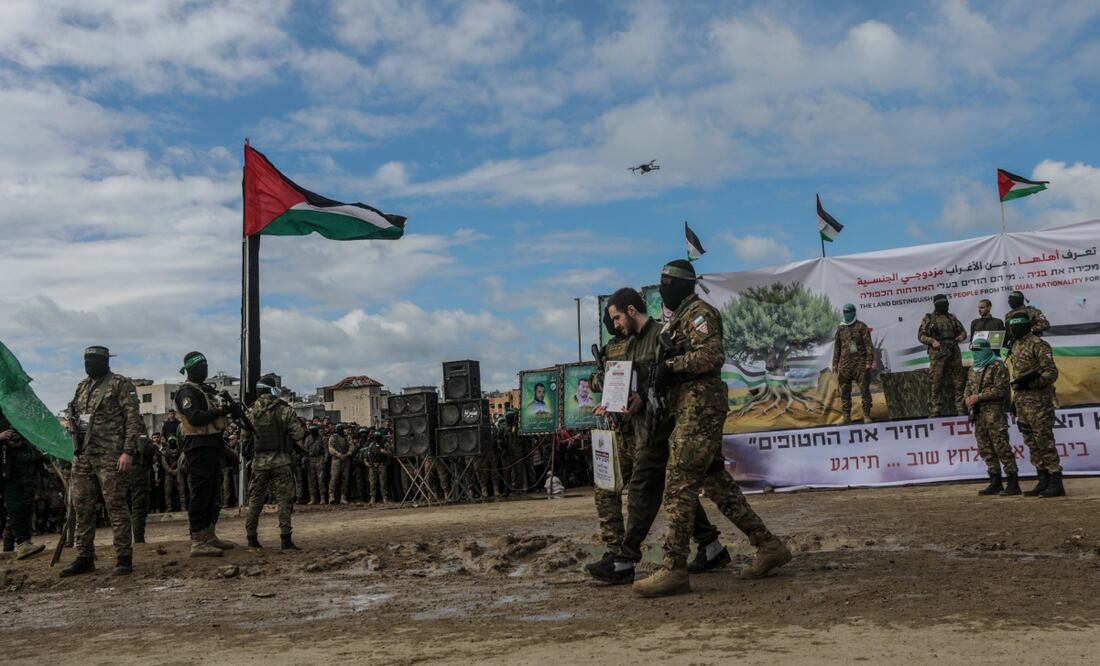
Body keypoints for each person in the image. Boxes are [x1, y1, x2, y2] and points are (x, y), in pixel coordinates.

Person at [633, 262, 791, 597]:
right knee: (718, 486)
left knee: (678, 484)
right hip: (688, 408)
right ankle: (769, 546)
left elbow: (712, 355)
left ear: (683, 285)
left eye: (667, 284)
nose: (663, 289)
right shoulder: (677, 320)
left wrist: (672, 365)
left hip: (700, 408)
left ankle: (673, 568)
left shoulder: (699, 313)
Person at [587, 289, 727, 586]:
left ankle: (624, 558)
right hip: (639, 427)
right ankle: (711, 545)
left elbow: (669, 377)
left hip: (664, 425)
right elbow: (622, 380)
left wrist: (643, 398)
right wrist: (615, 398)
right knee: (671, 490)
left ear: (630, 310)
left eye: (616, 317)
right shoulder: (628, 343)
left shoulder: (663, 335)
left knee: (650, 488)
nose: (614, 325)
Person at [61, 345, 143, 577]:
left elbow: (133, 419)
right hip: (84, 454)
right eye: (86, 361)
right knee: (82, 507)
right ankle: (84, 556)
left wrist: (128, 451)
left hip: (111, 454)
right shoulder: (82, 387)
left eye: (93, 361)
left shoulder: (119, 384)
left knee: (115, 506)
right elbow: (77, 417)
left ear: (105, 361)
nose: (88, 365)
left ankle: (124, 556)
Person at [174, 351, 236, 557]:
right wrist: (220, 412)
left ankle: (209, 535)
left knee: (213, 493)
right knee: (200, 493)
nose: (205, 370)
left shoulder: (204, 390)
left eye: (206, 366)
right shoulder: (187, 392)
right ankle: (198, 540)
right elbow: (195, 418)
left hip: (212, 444)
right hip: (198, 446)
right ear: (191, 369)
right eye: (201, 367)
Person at [243, 378, 305, 549]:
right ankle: (285, 539)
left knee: (255, 500)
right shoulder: (284, 409)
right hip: (281, 461)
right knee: (284, 500)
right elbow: (298, 434)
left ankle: (251, 538)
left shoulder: (251, 411)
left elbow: (244, 436)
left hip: (259, 462)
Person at [1008, 313, 1065, 497]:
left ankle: (1056, 481)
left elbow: (1051, 372)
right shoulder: (1015, 345)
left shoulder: (1039, 344)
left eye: (1016, 326)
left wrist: (1029, 384)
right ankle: (1043, 479)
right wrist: (1014, 401)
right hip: (1022, 402)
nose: (1013, 330)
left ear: (1025, 326)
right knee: (1031, 442)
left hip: (1039, 403)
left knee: (1044, 440)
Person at [963, 338, 1018, 495]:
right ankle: (995, 481)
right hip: (978, 415)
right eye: (974, 351)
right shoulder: (973, 369)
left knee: (1002, 447)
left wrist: (979, 397)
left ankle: (1013, 482)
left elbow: (1001, 390)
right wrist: (967, 398)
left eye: (978, 351)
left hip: (994, 413)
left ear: (986, 350)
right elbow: (967, 387)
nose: (976, 354)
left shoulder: (998, 366)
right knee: (985, 448)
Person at [0, 409, 47, 560]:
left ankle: (22, 544)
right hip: (6, 471)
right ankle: (20, 544)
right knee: (14, 508)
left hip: (13, 471)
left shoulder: (10, 411)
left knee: (18, 507)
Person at [917, 294, 967, 416]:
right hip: (937, 354)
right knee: (936, 382)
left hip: (953, 351)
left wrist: (961, 337)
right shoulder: (928, 319)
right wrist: (932, 342)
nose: (946, 306)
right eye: (943, 304)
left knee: (959, 382)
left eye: (946, 304)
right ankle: (936, 409)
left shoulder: (952, 318)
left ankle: (960, 408)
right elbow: (921, 336)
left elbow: (963, 331)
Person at [832, 303, 874, 424]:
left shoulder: (861, 327)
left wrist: (868, 362)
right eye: (844, 312)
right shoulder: (841, 328)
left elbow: (868, 346)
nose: (846, 314)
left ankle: (866, 415)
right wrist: (835, 364)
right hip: (845, 366)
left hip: (860, 365)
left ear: (854, 312)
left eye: (848, 312)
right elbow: (837, 347)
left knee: (864, 390)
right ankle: (846, 416)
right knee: (844, 392)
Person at [127, 433, 155, 543]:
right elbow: (145, 449)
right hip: (139, 472)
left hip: (125, 472)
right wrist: (154, 447)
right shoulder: (138, 434)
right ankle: (139, 539)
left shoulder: (120, 431)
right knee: (139, 506)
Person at [327, 423, 353, 504]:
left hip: (346, 458)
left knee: (345, 478)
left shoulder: (347, 437)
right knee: (334, 478)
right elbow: (330, 448)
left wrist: (348, 454)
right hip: (336, 459)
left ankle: (343, 497)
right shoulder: (333, 437)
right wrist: (338, 454)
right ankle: (331, 496)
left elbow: (352, 446)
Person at [302, 424, 326, 504]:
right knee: (311, 481)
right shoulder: (308, 439)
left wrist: (324, 460)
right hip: (310, 459)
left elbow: (325, 451)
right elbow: (305, 450)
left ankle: (322, 498)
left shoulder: (322, 438)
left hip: (319, 458)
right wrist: (305, 460)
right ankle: (313, 498)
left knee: (321, 480)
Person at [161, 435, 184, 511]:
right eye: (171, 440)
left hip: (179, 473)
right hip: (168, 474)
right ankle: (169, 507)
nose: (172, 442)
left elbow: (182, 461)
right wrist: (170, 470)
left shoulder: (180, 450)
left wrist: (177, 470)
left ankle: (183, 507)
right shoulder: (165, 451)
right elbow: (163, 462)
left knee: (181, 491)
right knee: (167, 491)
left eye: (173, 440)